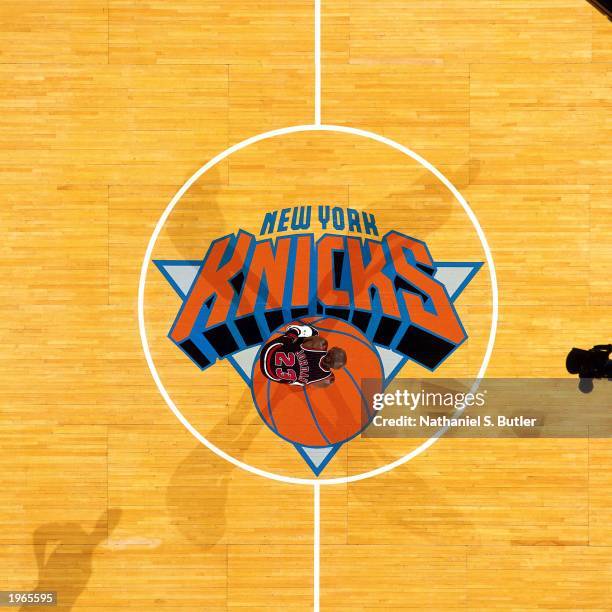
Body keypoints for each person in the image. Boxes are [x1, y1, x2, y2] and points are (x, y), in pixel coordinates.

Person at [260, 323, 347, 387]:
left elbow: (308, 340)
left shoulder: (320, 344)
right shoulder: (326, 379)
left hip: (268, 351)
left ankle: (293, 331)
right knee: (299, 382)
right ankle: (294, 380)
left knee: (314, 333)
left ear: (331, 350)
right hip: (269, 373)